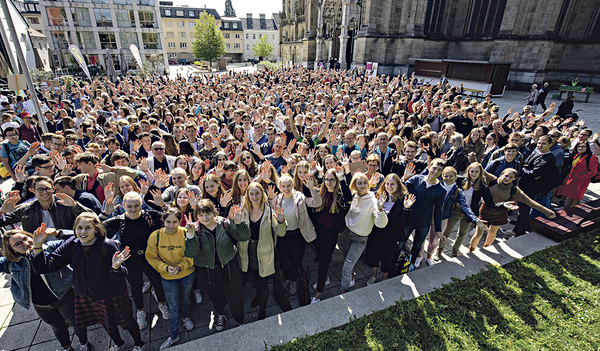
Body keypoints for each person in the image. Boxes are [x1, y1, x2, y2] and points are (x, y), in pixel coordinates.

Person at [30, 214, 146, 351]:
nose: (83, 232)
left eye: (87, 228)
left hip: (112, 294)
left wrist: (115, 267)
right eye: (79, 228)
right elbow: (45, 267)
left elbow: (121, 275)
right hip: (87, 294)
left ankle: (139, 344)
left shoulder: (108, 245)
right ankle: (119, 343)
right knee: (105, 322)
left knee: (127, 321)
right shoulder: (72, 245)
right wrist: (37, 246)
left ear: (96, 229)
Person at [1, 229, 88, 351]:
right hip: (41, 305)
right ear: (12, 250)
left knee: (76, 322)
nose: (26, 244)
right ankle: (67, 348)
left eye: (25, 238)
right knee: (58, 327)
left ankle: (84, 344)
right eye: (18, 244)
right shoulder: (11, 263)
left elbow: (79, 238)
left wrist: (58, 233)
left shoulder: (48, 248)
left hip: (63, 296)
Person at [102, 192, 169, 329]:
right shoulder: (119, 221)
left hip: (150, 256)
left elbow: (172, 216)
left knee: (156, 280)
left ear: (141, 204)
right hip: (130, 258)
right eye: (130, 206)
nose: (133, 209)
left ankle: (161, 303)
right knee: (135, 285)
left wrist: (163, 205)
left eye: (136, 205)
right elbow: (97, 228)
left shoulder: (149, 216)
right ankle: (140, 310)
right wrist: (105, 213)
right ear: (124, 205)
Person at [185, 200, 250, 331]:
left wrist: (238, 222)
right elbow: (191, 253)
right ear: (197, 216)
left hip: (229, 266)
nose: (205, 218)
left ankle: (239, 319)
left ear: (214, 212)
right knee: (215, 295)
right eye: (201, 215)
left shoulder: (224, 223)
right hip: (208, 271)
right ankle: (221, 314)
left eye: (208, 214)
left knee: (235, 295)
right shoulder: (196, 229)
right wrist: (191, 235)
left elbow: (244, 236)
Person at [145, 208, 195, 350]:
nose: (171, 225)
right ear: (163, 221)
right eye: (168, 222)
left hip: (187, 273)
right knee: (172, 306)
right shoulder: (156, 236)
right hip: (167, 276)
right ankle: (174, 335)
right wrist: (165, 268)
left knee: (186, 298)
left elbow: (193, 253)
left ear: (180, 221)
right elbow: (150, 257)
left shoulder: (185, 232)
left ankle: (186, 318)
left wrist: (181, 266)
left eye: (175, 222)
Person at [470, 168, 555, 249]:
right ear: (501, 174)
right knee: (478, 234)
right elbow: (481, 170)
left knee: (492, 232)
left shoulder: (514, 190)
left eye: (511, 177)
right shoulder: (492, 180)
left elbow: (530, 202)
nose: (507, 178)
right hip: (486, 210)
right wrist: (473, 159)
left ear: (514, 179)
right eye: (506, 176)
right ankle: (471, 249)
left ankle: (486, 248)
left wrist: (547, 211)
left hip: (500, 213)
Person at [238, 182, 286, 320]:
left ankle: (263, 310)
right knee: (254, 279)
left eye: (257, 193)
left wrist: (281, 221)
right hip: (248, 252)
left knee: (263, 282)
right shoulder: (243, 211)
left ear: (262, 194)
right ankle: (258, 297)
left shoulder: (269, 212)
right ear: (247, 195)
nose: (254, 196)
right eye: (251, 194)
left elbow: (281, 233)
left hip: (264, 253)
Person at [271, 174, 321, 295]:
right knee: (283, 260)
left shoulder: (300, 197)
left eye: (288, 186)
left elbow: (316, 203)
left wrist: (313, 189)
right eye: (283, 186)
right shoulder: (276, 199)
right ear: (279, 187)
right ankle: (287, 278)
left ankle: (294, 280)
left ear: (292, 185)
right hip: (282, 235)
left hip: (297, 234)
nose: (286, 188)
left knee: (296, 260)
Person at [340, 172, 388, 293]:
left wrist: (381, 209)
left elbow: (381, 224)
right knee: (347, 260)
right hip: (346, 234)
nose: (362, 185)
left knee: (346, 267)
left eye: (365, 183)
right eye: (359, 183)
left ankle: (343, 291)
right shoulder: (354, 195)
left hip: (360, 239)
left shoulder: (373, 201)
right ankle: (351, 278)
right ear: (355, 186)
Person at [364, 174, 415, 285]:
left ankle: (385, 277)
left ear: (398, 185)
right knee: (374, 254)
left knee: (387, 256)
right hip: (376, 232)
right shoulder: (380, 194)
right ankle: (373, 275)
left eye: (392, 184)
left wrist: (406, 209)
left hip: (391, 235)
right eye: (387, 183)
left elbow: (405, 223)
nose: (389, 186)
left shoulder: (402, 199)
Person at [311, 169, 351, 303]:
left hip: (331, 232)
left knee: (324, 261)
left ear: (336, 181)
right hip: (318, 231)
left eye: (332, 179)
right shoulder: (319, 192)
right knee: (319, 255)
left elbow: (349, 199)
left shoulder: (340, 195)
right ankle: (326, 278)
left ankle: (318, 295)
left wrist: (343, 181)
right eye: (326, 179)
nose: (328, 182)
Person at [401, 159, 446, 268]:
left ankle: (410, 266)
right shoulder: (417, 179)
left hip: (424, 222)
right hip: (410, 218)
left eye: (439, 170)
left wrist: (438, 230)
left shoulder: (441, 190)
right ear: (429, 166)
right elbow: (401, 188)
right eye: (434, 168)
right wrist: (405, 178)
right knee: (401, 242)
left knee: (417, 246)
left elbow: (438, 211)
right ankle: (392, 263)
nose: (436, 171)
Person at [557, 142, 598, 209]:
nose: (580, 148)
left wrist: (581, 177)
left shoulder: (592, 158)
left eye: (583, 146)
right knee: (570, 197)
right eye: (579, 146)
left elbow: (593, 172)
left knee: (575, 199)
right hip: (572, 180)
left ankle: (568, 212)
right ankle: (566, 210)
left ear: (587, 148)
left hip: (581, 182)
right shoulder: (577, 155)